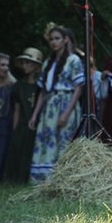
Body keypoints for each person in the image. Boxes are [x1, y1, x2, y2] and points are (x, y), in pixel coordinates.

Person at [28, 26, 84, 182]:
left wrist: (66, 113)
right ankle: (44, 177)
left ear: (65, 40)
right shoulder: (48, 62)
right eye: (51, 39)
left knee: (63, 140)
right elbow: (43, 92)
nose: (54, 42)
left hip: (66, 103)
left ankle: (63, 178)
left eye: (57, 38)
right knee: (47, 139)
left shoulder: (74, 60)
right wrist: (34, 115)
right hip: (49, 107)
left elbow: (78, 89)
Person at [4, 47, 42, 182]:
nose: (25, 65)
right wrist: (14, 129)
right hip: (21, 124)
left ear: (36, 66)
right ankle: (13, 177)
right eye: (24, 62)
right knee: (17, 147)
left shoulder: (41, 87)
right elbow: (17, 109)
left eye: (29, 63)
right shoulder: (18, 86)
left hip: (36, 125)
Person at [0, 53, 19, 182]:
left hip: (4, 125)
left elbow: (16, 108)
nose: (6, 68)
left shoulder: (11, 85)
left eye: (7, 65)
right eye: (2, 65)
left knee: (0, 152)